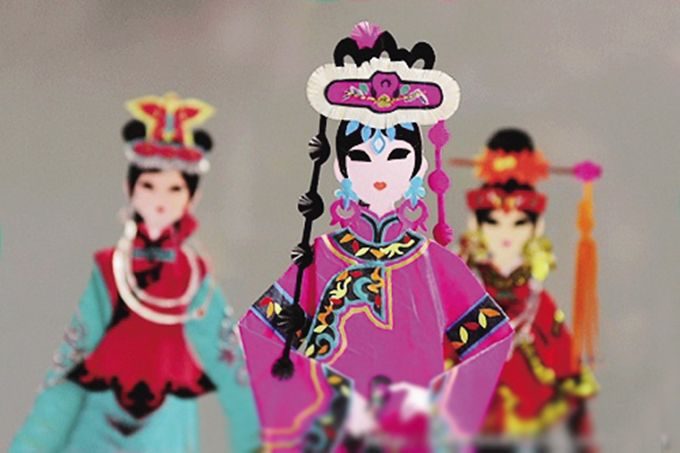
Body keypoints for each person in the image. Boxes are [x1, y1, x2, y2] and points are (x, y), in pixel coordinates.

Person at [238, 23, 514, 452]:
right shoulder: (321, 257)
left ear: (419, 167)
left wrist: (433, 411)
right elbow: (259, 333)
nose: (380, 171)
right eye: (363, 158)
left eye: (398, 156)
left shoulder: (434, 264)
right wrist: (329, 403)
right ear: (341, 169)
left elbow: (492, 339)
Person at [11, 93, 260, 453]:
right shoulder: (111, 271)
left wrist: (256, 443)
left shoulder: (194, 280)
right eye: (149, 186)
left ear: (192, 198)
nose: (160, 199)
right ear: (130, 189)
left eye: (174, 188)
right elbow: (69, 368)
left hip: (165, 428)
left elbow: (232, 369)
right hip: (97, 426)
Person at [453, 128, 600, 450]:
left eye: (519, 223)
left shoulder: (536, 301)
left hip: (527, 420)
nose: (506, 234)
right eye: (494, 222)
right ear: (475, 224)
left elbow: (567, 376)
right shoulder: (461, 290)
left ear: (536, 228)